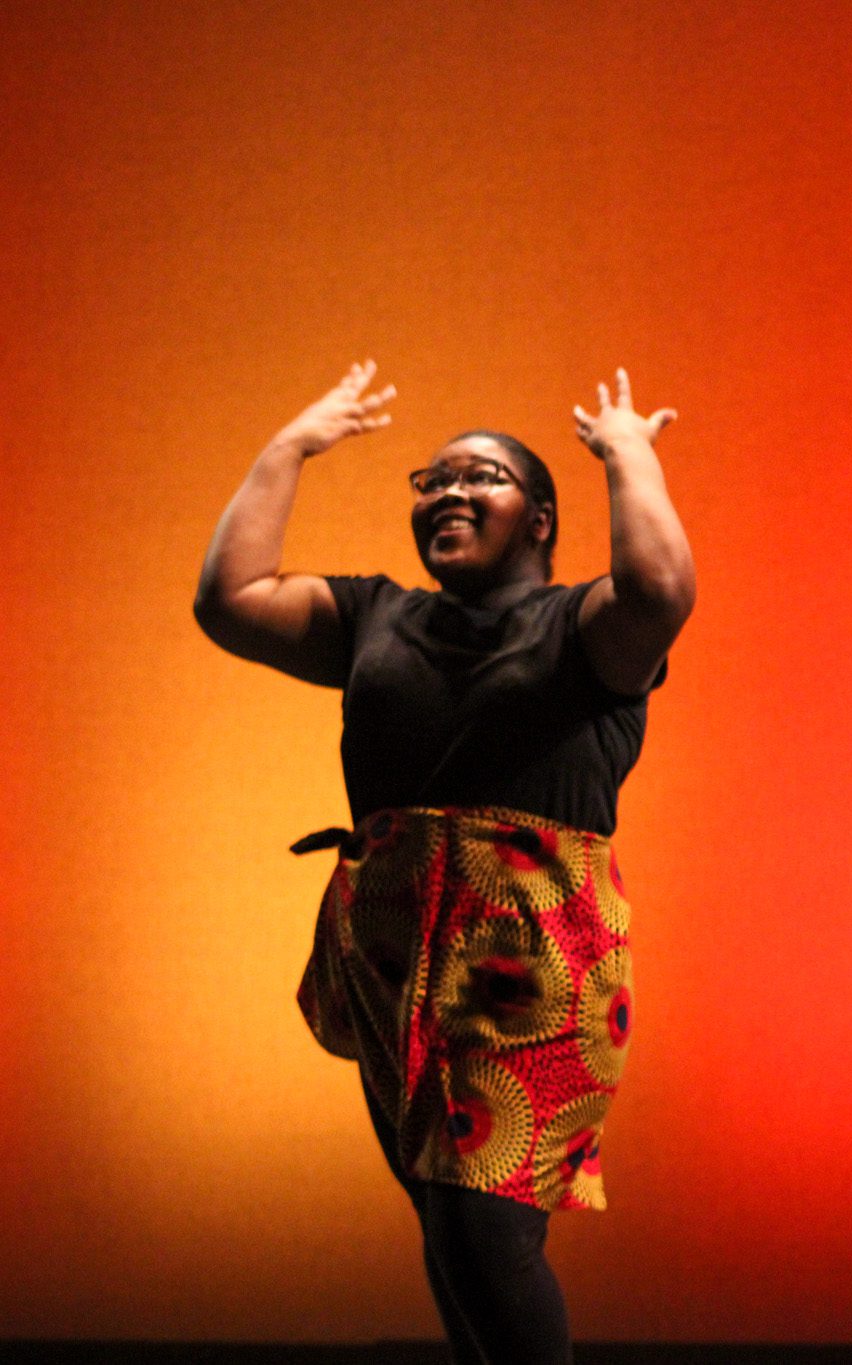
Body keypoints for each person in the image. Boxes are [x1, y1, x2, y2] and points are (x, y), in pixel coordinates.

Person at [194, 361, 692, 1365]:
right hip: (391, 947)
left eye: (483, 477)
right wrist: (288, 448)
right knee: (442, 1210)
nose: (451, 492)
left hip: (528, 947)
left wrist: (628, 457)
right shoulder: (379, 615)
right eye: (434, 480)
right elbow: (232, 598)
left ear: (540, 519)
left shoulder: (582, 625)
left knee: (483, 1223)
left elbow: (661, 587)